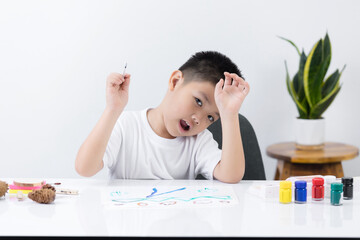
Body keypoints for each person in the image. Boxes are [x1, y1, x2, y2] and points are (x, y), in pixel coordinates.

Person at [75, 51, 250, 183]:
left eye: (211, 118)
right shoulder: (127, 126)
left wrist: (229, 114)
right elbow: (85, 168)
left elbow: (231, 176)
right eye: (198, 101)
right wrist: (113, 109)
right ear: (175, 81)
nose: (199, 119)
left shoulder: (198, 141)